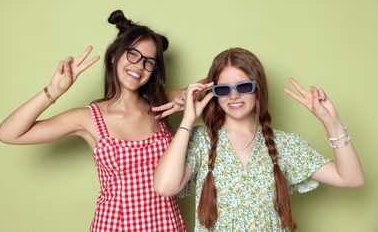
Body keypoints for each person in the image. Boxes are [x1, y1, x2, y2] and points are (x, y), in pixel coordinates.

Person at [0, 10, 186, 232]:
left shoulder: (161, 106)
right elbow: (8, 133)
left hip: (167, 225)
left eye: (149, 62)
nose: (139, 65)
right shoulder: (87, 118)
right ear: (115, 55)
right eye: (132, 54)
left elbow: (214, 85)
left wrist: (190, 97)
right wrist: (54, 91)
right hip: (115, 225)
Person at [153, 47, 364, 231]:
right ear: (214, 94)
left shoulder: (286, 144)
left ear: (258, 89)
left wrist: (331, 121)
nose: (234, 96)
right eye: (224, 89)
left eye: (244, 87)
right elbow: (164, 187)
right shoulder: (201, 141)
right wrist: (188, 120)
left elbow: (351, 178)